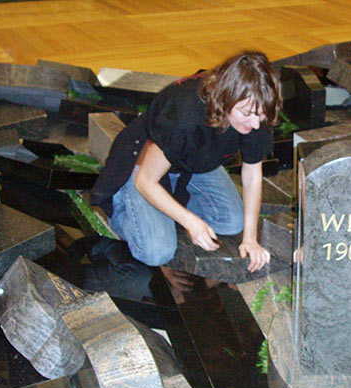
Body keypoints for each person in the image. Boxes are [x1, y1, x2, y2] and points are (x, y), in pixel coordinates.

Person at [90, 51, 282, 272]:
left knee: (232, 221)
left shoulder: (257, 111)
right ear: (226, 97)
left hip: (196, 159)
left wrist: (251, 238)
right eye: (247, 114)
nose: (256, 124)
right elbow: (145, 181)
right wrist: (189, 222)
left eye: (261, 115)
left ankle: (164, 209)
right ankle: (124, 205)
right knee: (156, 251)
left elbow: (252, 175)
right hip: (147, 157)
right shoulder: (183, 116)